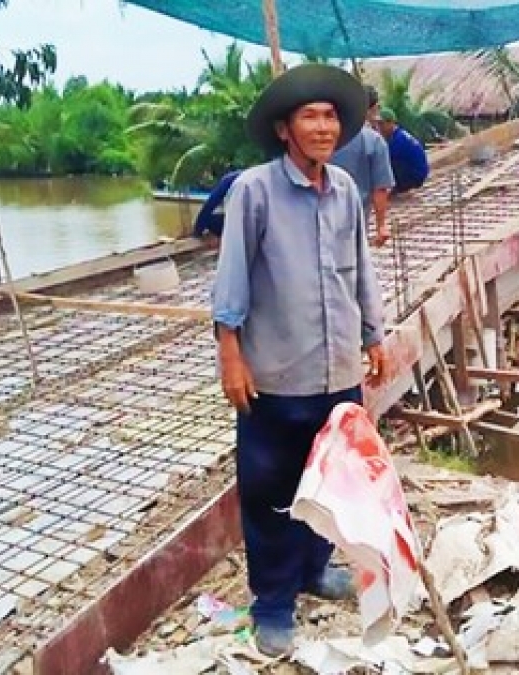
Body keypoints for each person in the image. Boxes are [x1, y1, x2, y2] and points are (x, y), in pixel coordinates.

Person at [210, 63, 388, 658]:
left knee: (332, 482)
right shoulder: (253, 191)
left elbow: (361, 270)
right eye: (309, 116)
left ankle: (315, 568)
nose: (323, 126)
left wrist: (375, 335)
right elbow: (231, 279)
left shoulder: (344, 191)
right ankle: (273, 603)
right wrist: (230, 356)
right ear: (284, 129)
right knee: (270, 489)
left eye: (331, 115)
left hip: (338, 370)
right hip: (277, 375)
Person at [331, 84, 395, 246]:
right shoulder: (373, 141)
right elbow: (380, 189)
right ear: (371, 109)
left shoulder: (324, 136)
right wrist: (381, 226)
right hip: (354, 219)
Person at [375, 107, 429, 196]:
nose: (378, 128)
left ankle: (399, 188)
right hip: (417, 172)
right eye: (377, 124)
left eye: (381, 124)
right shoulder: (399, 134)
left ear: (391, 123)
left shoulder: (398, 140)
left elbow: (382, 161)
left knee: (385, 163)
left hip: (415, 176)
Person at [192, 169, 242, 241]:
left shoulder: (229, 179)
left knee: (209, 220)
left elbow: (209, 205)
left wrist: (197, 231)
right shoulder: (252, 175)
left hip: (239, 226)